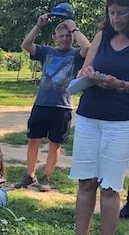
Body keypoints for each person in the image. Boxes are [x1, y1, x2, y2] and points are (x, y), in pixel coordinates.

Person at [59, 0, 129, 235]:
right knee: (86, 182)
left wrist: (120, 85)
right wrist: (89, 73)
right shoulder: (101, 36)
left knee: (110, 187)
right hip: (89, 117)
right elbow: (85, 67)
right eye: (112, 12)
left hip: (120, 122)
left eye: (122, 12)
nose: (116, 18)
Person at [15, 14, 90, 191]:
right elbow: (26, 45)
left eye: (68, 36)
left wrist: (74, 28)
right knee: (33, 140)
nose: (65, 39)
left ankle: (46, 178)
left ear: (72, 37)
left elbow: (88, 47)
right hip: (41, 104)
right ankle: (30, 175)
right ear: (55, 37)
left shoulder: (75, 55)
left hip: (62, 107)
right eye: (61, 36)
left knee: (54, 144)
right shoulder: (47, 51)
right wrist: (38, 25)